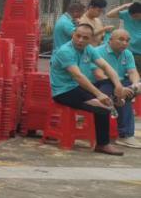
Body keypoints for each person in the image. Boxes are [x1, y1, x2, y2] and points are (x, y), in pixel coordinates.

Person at [49, 23, 124, 156]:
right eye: (78, 36)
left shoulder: (88, 49)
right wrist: (99, 94)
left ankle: (113, 99)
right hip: (64, 92)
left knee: (110, 83)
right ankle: (103, 144)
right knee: (103, 108)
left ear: (90, 39)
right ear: (73, 35)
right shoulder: (65, 51)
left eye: (85, 38)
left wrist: (118, 85)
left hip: (78, 88)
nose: (80, 40)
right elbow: (78, 76)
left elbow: (106, 66)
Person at [93, 28, 141, 148]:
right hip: (101, 84)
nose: (125, 43)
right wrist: (119, 88)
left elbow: (133, 72)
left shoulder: (127, 53)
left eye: (127, 40)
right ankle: (125, 135)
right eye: (121, 39)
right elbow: (99, 75)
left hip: (121, 84)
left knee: (132, 90)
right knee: (124, 97)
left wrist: (135, 84)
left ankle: (118, 99)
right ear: (110, 40)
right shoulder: (98, 51)